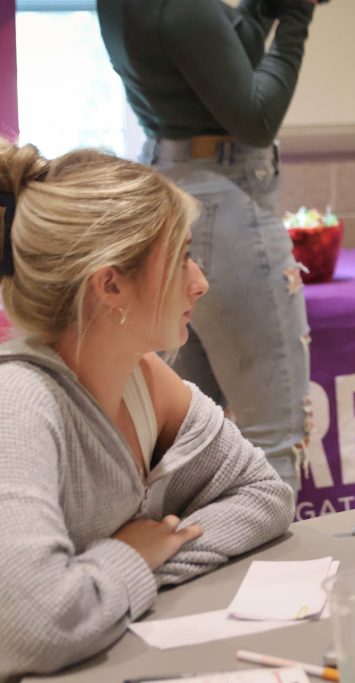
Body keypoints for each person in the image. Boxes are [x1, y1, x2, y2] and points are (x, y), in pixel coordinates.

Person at [0, 141, 294, 679]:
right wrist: (132, 558)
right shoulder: (17, 405)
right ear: (110, 284)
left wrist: (150, 558)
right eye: (181, 257)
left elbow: (266, 496)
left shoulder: (145, 379)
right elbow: (31, 627)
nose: (200, 281)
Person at [97, 0, 320, 489]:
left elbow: (219, 59)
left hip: (170, 182)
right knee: (273, 436)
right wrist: (298, 17)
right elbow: (257, 118)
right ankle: (276, 569)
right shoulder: (180, 8)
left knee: (195, 435)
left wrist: (262, 10)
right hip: (226, 193)